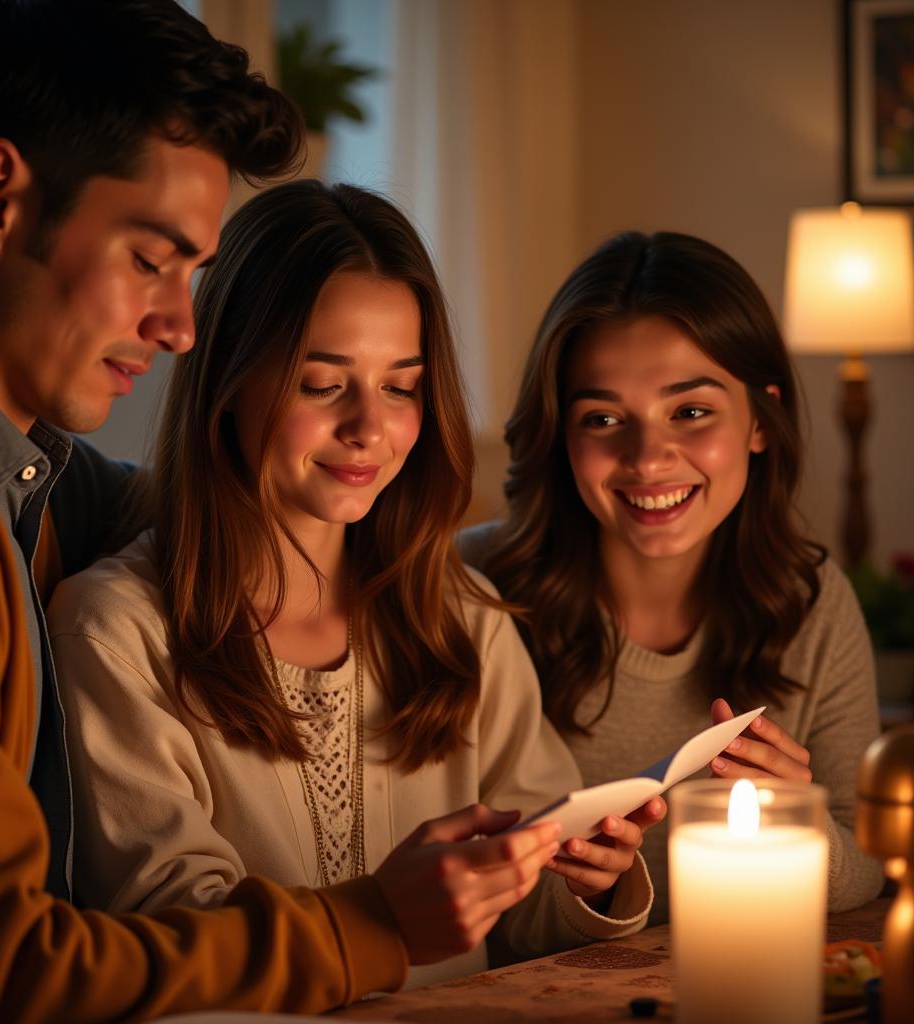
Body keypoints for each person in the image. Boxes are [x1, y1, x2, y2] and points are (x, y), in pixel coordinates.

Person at [0, 2, 563, 1019]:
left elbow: (217, 513)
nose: (177, 326)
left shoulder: (18, 476)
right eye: (150, 259)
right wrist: (372, 922)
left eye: (195, 275)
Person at [47, 181, 663, 988]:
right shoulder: (116, 633)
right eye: (322, 382)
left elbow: (524, 923)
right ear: (229, 380)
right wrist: (382, 909)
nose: (369, 427)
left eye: (401, 385)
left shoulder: (461, 617)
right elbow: (169, 931)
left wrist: (593, 873)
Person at [459, 230, 884, 925]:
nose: (648, 458)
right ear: (560, 436)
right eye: (602, 418)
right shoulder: (470, 591)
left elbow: (868, 861)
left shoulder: (811, 599)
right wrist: (589, 890)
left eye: (690, 412)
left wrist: (800, 826)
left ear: (759, 421)